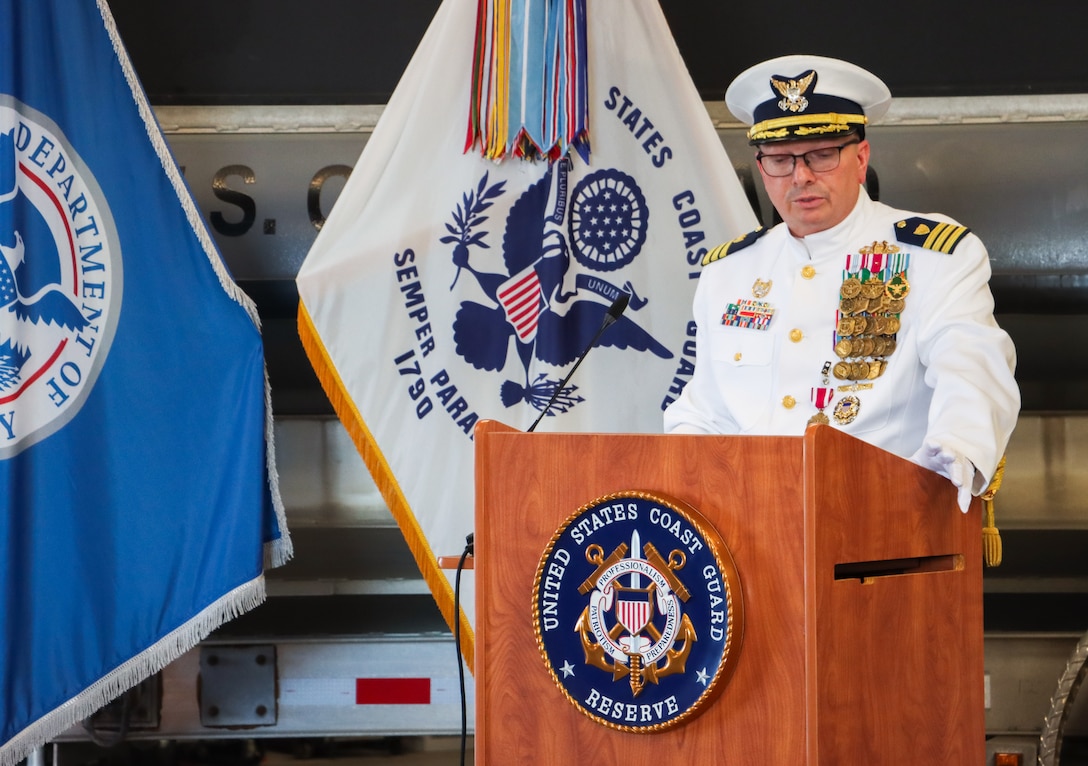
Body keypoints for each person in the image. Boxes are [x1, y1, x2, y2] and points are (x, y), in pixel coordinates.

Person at [663, 54, 1020, 511]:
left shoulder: (934, 255)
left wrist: (957, 443)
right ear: (760, 164)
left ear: (860, 157)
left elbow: (972, 364)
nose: (801, 176)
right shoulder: (728, 271)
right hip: (748, 521)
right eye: (780, 160)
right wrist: (680, 479)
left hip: (880, 513)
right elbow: (706, 408)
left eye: (821, 154)